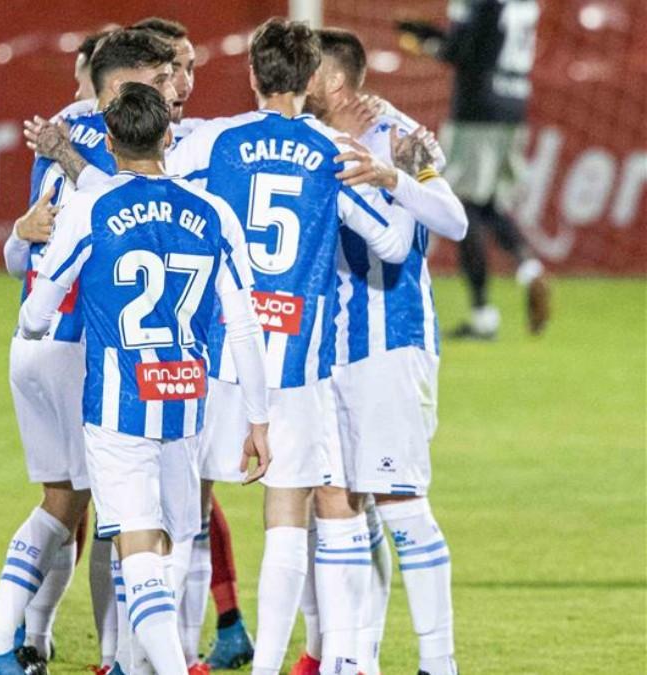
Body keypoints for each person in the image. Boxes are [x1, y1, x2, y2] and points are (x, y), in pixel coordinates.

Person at [167, 18, 417, 675]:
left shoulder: (213, 143)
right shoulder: (332, 152)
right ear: (310, 81)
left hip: (220, 353)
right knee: (286, 520)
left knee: (185, 508)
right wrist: (389, 181)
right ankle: (273, 663)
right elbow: (390, 246)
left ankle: (163, 657)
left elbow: (159, 192)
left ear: (252, 74)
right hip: (300, 362)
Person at [28, 19, 258, 668]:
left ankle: (151, 657)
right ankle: (150, 656)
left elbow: (42, 297)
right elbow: (240, 319)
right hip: (193, 385)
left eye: (185, 69)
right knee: (176, 540)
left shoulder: (91, 201)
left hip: (120, 395)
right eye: (168, 73)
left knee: (135, 540)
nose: (181, 83)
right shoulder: (210, 202)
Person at [0, 29, 179, 675]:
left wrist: (13, 235)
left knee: (66, 500)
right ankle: (102, 654)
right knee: (117, 511)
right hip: (78, 345)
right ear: (117, 86)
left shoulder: (62, 133)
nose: (165, 93)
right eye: (155, 82)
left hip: (35, 340)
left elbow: (26, 247)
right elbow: (118, 207)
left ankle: (19, 638)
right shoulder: (100, 140)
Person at [294, 27, 467, 675]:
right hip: (328, 348)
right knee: (337, 501)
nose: (294, 85)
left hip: (389, 342)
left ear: (333, 82)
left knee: (398, 500)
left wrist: (397, 171)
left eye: (304, 74)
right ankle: (352, 658)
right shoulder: (308, 136)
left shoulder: (394, 131)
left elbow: (448, 222)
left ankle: (437, 662)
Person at [398, 0, 549, 339]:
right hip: (513, 106)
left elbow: (463, 53)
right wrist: (434, 35)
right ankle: (529, 268)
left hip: (477, 111)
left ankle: (483, 315)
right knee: (489, 204)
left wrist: (428, 43)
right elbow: (484, 42)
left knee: (463, 204)